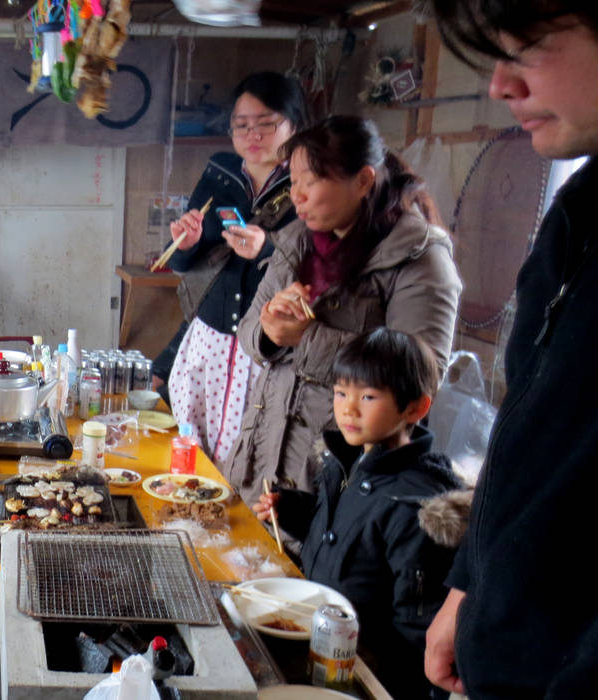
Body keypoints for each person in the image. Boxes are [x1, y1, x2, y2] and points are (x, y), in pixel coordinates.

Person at [422, 1, 598, 695]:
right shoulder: (577, 212)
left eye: (523, 47)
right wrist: (468, 588)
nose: (499, 86)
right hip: (507, 648)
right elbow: (534, 444)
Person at [226, 115, 462, 512]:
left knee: (316, 570)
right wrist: (269, 329)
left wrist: (306, 337)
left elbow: (421, 374)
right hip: (261, 461)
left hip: (341, 478)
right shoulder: (296, 242)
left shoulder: (419, 258)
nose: (296, 195)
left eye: (311, 181)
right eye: (294, 180)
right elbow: (249, 330)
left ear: (364, 181)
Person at [253, 328, 468, 699]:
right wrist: (289, 509)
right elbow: (340, 531)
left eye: (367, 396)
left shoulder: (415, 506)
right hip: (322, 643)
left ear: (415, 408)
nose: (348, 409)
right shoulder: (346, 461)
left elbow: (418, 628)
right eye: (340, 393)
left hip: (369, 674)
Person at [160, 71, 308, 464]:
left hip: (263, 343)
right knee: (194, 441)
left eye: (266, 124)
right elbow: (179, 262)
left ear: (294, 124)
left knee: (251, 449)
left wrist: (266, 250)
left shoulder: (305, 182)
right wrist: (185, 245)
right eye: (241, 126)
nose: (252, 136)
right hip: (210, 332)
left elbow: (318, 260)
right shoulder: (220, 173)